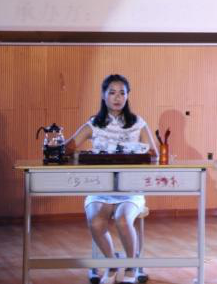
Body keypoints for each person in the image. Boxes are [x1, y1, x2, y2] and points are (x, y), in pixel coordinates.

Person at [65, 74, 157, 284]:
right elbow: (69, 147)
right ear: (103, 95)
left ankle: (132, 267)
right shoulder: (94, 123)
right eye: (112, 92)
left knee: (123, 220)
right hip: (101, 188)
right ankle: (111, 263)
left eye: (122, 93)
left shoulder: (137, 123)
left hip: (129, 189)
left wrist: (132, 150)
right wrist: (81, 154)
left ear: (127, 96)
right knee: (96, 222)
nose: (117, 98)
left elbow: (154, 154)